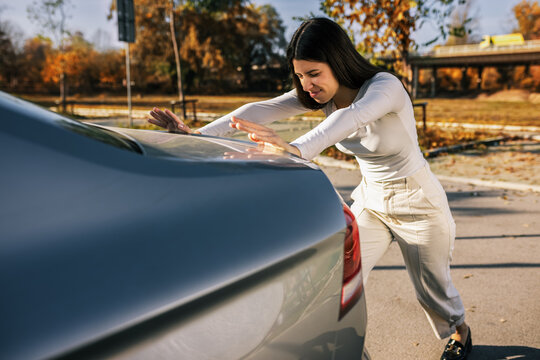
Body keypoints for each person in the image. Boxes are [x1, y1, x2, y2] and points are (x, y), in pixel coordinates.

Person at [148, 17, 472, 360]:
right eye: (300, 76)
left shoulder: (384, 86)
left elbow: (351, 118)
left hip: (418, 202)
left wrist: (296, 149)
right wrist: (198, 136)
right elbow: (258, 110)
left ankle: (461, 333)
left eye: (313, 73)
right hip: (371, 201)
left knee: (432, 291)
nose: (307, 85)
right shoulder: (319, 95)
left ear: (338, 60)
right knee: (335, 282)